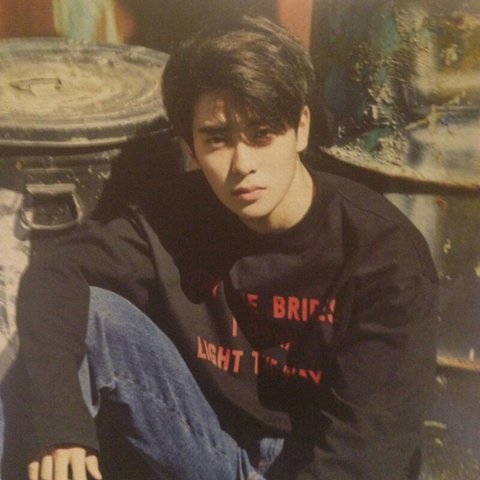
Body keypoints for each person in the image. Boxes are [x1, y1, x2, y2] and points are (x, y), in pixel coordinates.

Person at [13, 16, 438, 480]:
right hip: (213, 447)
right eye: (217, 139)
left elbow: (366, 453)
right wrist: (61, 427)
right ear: (192, 149)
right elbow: (56, 273)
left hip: (321, 463)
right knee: (92, 316)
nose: (242, 164)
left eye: (262, 133)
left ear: (301, 128)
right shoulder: (176, 214)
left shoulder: (382, 252)